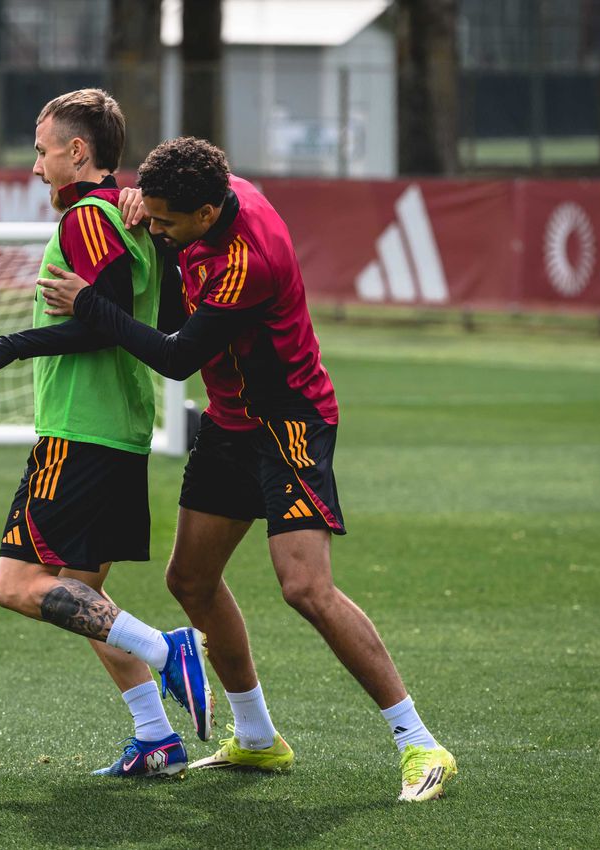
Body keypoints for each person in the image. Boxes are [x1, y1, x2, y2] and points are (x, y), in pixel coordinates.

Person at [38, 136, 458, 802]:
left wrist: (87, 303)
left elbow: (176, 357)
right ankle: (258, 740)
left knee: (305, 588)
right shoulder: (204, 191)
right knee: (191, 581)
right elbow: (175, 199)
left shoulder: (247, 257)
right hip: (231, 425)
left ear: (207, 213)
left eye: (169, 221)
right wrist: (138, 201)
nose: (159, 229)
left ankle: (418, 743)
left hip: (289, 424)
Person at [0, 90, 209, 778]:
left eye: (41, 151)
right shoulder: (137, 222)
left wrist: (8, 344)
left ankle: (166, 649)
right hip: (120, 430)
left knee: (15, 585)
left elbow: (104, 318)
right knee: (82, 600)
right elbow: (164, 311)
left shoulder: (89, 218)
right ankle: (157, 738)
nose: (35, 168)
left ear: (77, 152)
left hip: (80, 433)